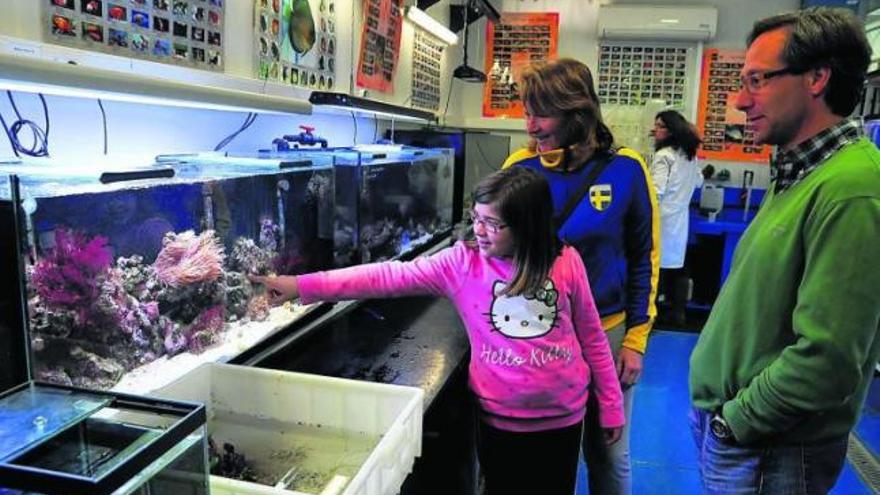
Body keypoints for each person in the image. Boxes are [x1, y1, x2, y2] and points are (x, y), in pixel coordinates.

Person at [252, 167, 625, 495]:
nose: (479, 231)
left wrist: (610, 406)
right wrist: (302, 286)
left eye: (493, 224)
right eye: (475, 218)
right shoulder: (462, 264)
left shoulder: (564, 262)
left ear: (527, 225)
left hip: (562, 418)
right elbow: (385, 276)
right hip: (499, 419)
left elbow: (592, 337)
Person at [689, 7, 880, 494]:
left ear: (817, 77)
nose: (738, 101)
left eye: (757, 81)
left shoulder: (853, 188)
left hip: (768, 450)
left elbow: (828, 359)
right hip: (746, 443)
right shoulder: (802, 173)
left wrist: (738, 421)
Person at [502, 58, 659, 495]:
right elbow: (497, 250)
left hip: (607, 335)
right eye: (526, 112)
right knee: (551, 454)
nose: (530, 125)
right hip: (539, 334)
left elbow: (644, 257)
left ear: (577, 114)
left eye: (541, 113)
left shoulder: (626, 169)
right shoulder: (519, 168)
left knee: (609, 452)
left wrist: (635, 340)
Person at [649, 110, 703, 328]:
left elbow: (656, 191)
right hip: (680, 218)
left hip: (662, 218)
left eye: (660, 126)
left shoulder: (665, 156)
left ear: (671, 130)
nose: (655, 130)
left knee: (655, 268)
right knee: (677, 267)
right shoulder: (688, 155)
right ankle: (678, 313)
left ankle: (651, 316)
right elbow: (699, 181)